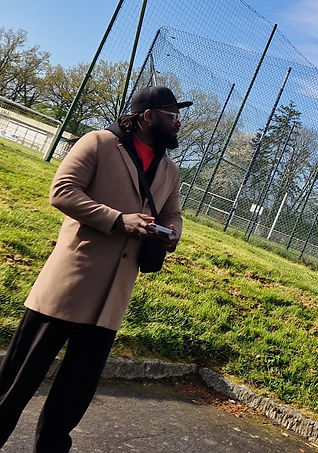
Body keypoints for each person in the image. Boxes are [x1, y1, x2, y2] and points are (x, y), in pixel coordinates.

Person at [0, 85, 189, 451]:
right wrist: (118, 220)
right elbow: (63, 191)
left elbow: (173, 214)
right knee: (18, 379)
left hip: (112, 298)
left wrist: (172, 234)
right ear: (146, 116)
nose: (178, 122)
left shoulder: (169, 169)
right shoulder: (99, 143)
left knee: (75, 394)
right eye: (171, 114)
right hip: (68, 286)